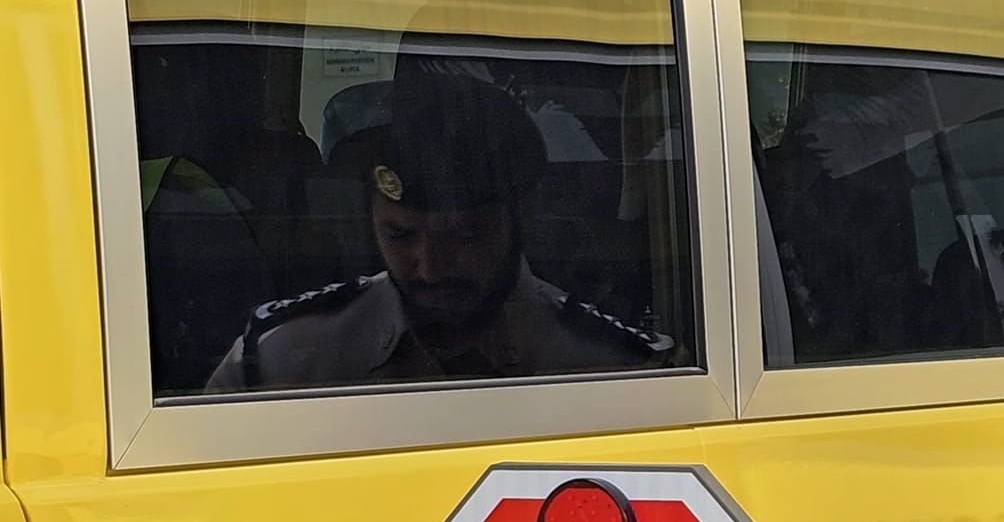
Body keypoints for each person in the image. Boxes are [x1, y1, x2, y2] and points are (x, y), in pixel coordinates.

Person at [206, 71, 673, 391]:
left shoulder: (610, 367)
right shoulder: (281, 359)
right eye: (400, 234)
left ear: (522, 218)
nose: (430, 267)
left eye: (466, 237)